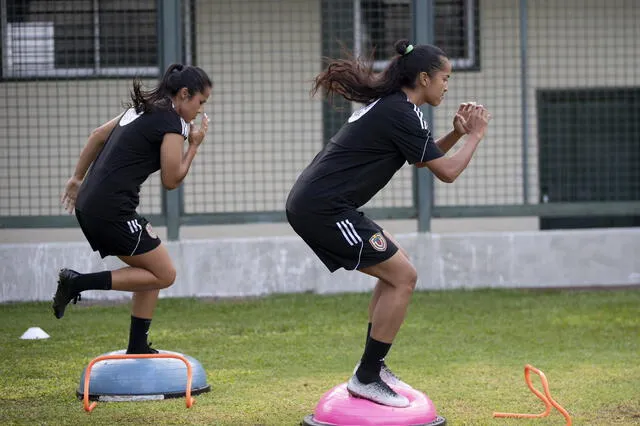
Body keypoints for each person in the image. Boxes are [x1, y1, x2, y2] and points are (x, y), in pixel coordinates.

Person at [285, 39, 491, 407]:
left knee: (398, 268)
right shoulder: (402, 113)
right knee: (403, 277)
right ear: (424, 78)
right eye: (445, 77)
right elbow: (446, 172)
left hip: (324, 204)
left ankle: (373, 368)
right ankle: (366, 375)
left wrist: (458, 133)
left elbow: (422, 157)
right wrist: (475, 135)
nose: (447, 85)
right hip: (324, 209)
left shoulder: (395, 108)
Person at [53, 63, 212, 354]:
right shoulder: (173, 121)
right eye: (200, 102)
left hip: (91, 204)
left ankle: (137, 345)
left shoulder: (143, 108)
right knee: (166, 274)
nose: (200, 111)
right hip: (111, 211)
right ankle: (77, 282)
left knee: (152, 269)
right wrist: (194, 146)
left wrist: (77, 179)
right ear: (185, 94)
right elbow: (171, 179)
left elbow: (96, 135)